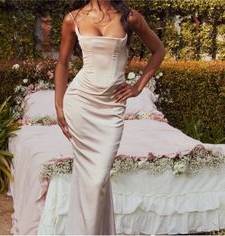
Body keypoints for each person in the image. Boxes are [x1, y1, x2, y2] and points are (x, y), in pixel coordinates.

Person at [54, 0, 165, 234]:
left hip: (111, 108)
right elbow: (62, 63)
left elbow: (159, 51)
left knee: (97, 179)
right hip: (80, 103)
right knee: (91, 181)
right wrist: (59, 106)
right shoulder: (72, 18)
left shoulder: (130, 17)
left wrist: (137, 87)